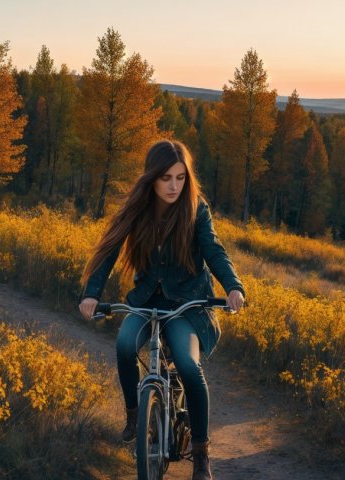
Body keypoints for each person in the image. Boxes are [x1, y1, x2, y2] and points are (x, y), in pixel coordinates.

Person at [79, 139, 245, 480]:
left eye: (181, 178)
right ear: (151, 178)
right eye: (166, 177)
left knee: (187, 364)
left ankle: (201, 455)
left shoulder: (196, 209)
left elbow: (214, 251)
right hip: (145, 301)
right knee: (125, 345)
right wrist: (91, 294)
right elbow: (109, 251)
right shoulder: (137, 208)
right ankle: (134, 415)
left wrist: (233, 286)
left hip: (187, 304)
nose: (174, 186)